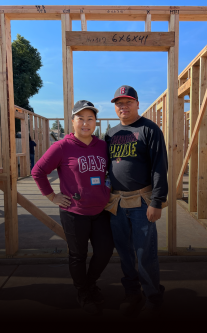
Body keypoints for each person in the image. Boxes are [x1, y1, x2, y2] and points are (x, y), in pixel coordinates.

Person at [32, 100, 114, 315]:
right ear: (73, 121)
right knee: (78, 255)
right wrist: (51, 196)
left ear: (95, 122)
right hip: (74, 213)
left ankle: (90, 283)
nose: (86, 123)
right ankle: (83, 292)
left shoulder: (103, 146)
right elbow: (38, 171)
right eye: (81, 119)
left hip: (101, 211)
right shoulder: (62, 146)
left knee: (104, 251)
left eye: (90, 119)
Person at [105, 85, 168, 316]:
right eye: (119, 103)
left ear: (137, 103)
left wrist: (157, 201)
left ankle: (153, 297)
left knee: (145, 253)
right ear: (115, 106)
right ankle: (132, 294)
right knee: (124, 252)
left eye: (128, 102)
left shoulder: (149, 129)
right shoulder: (110, 133)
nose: (123, 106)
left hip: (142, 201)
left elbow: (160, 167)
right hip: (117, 203)